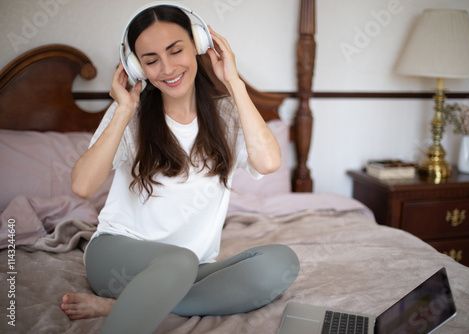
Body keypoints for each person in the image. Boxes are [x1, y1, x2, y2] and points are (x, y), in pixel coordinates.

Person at [60, 4, 300, 334]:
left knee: (280, 263)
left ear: (198, 45)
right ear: (136, 67)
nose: (167, 68)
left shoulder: (227, 113)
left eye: (176, 51)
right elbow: (83, 187)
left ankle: (129, 304)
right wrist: (123, 111)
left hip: (189, 271)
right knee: (179, 260)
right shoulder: (129, 116)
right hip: (117, 260)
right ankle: (135, 300)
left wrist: (234, 83)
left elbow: (269, 162)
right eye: (151, 60)